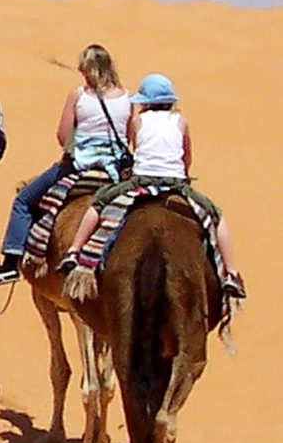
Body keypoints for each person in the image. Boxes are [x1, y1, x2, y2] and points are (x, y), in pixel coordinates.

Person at [60, 74, 244, 298]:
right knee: (216, 215)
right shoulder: (180, 121)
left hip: (141, 181)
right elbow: (186, 157)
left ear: (145, 102)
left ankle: (74, 251)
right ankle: (231, 273)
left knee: (98, 204)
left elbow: (137, 150)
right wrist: (182, 176)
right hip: (175, 182)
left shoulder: (139, 121)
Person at [0, 44, 130, 286]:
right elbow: (130, 135)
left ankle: (11, 262)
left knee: (23, 200)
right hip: (116, 170)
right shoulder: (127, 97)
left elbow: (63, 136)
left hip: (80, 166)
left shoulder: (79, 95)